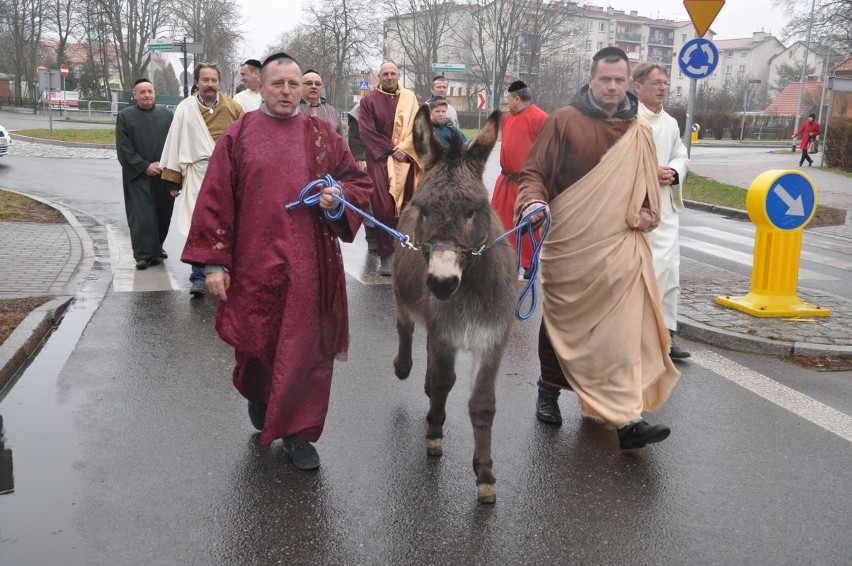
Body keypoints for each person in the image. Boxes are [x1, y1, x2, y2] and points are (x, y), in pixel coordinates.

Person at [180, 53, 373, 470]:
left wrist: (338, 197)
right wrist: (214, 264)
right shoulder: (239, 135)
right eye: (277, 84)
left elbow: (359, 183)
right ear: (261, 88)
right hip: (254, 264)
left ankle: (299, 433)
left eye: (294, 84)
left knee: (307, 351)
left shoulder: (321, 135)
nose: (287, 92)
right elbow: (215, 201)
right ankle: (261, 395)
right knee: (259, 346)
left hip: (311, 267)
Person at [515, 47, 680, 449]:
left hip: (621, 246)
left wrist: (646, 212)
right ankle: (548, 392)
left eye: (619, 80)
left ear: (628, 83)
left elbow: (646, 186)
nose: (611, 86)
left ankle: (625, 420)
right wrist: (534, 202)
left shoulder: (638, 128)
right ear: (591, 80)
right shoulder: (564, 122)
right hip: (571, 245)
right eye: (604, 79)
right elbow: (534, 174)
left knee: (621, 334)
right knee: (559, 327)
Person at [160, 62, 244, 297]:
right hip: (196, 174)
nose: (209, 84)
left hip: (228, 175)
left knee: (226, 224)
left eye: (213, 80)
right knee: (199, 226)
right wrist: (173, 181)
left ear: (219, 82)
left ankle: (226, 271)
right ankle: (198, 277)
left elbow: (245, 142)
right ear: (197, 82)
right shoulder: (185, 108)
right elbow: (174, 143)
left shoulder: (234, 108)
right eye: (205, 80)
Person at [633, 62, 691, 360]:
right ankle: (641, 337)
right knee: (646, 274)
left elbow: (681, 153)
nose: (663, 87)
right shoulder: (629, 121)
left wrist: (675, 172)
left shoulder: (669, 122)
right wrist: (647, 173)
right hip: (639, 209)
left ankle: (667, 335)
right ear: (638, 87)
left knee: (670, 273)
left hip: (666, 208)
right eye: (656, 82)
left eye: (665, 82)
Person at [359, 61, 421, 276]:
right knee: (384, 207)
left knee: (407, 206)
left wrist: (405, 149)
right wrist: (392, 149)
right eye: (385, 74)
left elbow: (419, 127)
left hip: (407, 159)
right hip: (381, 160)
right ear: (379, 77)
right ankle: (387, 255)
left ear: (399, 75)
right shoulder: (369, 100)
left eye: (393, 73)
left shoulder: (410, 98)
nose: (389, 77)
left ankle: (406, 255)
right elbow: (366, 131)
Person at [115, 78, 175, 270]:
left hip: (163, 173)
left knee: (162, 213)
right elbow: (123, 148)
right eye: (142, 92)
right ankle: (142, 254)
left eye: (150, 91)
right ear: (135, 95)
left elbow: (174, 143)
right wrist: (143, 166)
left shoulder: (166, 115)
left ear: (154, 93)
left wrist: (166, 166)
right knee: (141, 216)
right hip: (138, 174)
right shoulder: (125, 116)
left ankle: (157, 248)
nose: (147, 95)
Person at [490, 80, 548, 279]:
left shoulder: (540, 118)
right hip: (505, 181)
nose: (507, 102)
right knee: (500, 223)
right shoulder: (508, 118)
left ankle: (528, 263)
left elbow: (548, 152)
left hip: (526, 184)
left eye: (508, 98)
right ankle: (504, 261)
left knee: (528, 226)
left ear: (517, 98)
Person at [347, 101, 378, 252]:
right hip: (366, 159)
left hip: (385, 159)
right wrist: (359, 158)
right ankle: (371, 237)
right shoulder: (359, 109)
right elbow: (354, 137)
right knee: (369, 199)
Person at [299, 69, 342, 135]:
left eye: (317, 84)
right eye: (309, 83)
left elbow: (341, 142)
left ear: (322, 88)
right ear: (300, 86)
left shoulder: (333, 112)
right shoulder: (292, 110)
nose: (314, 86)